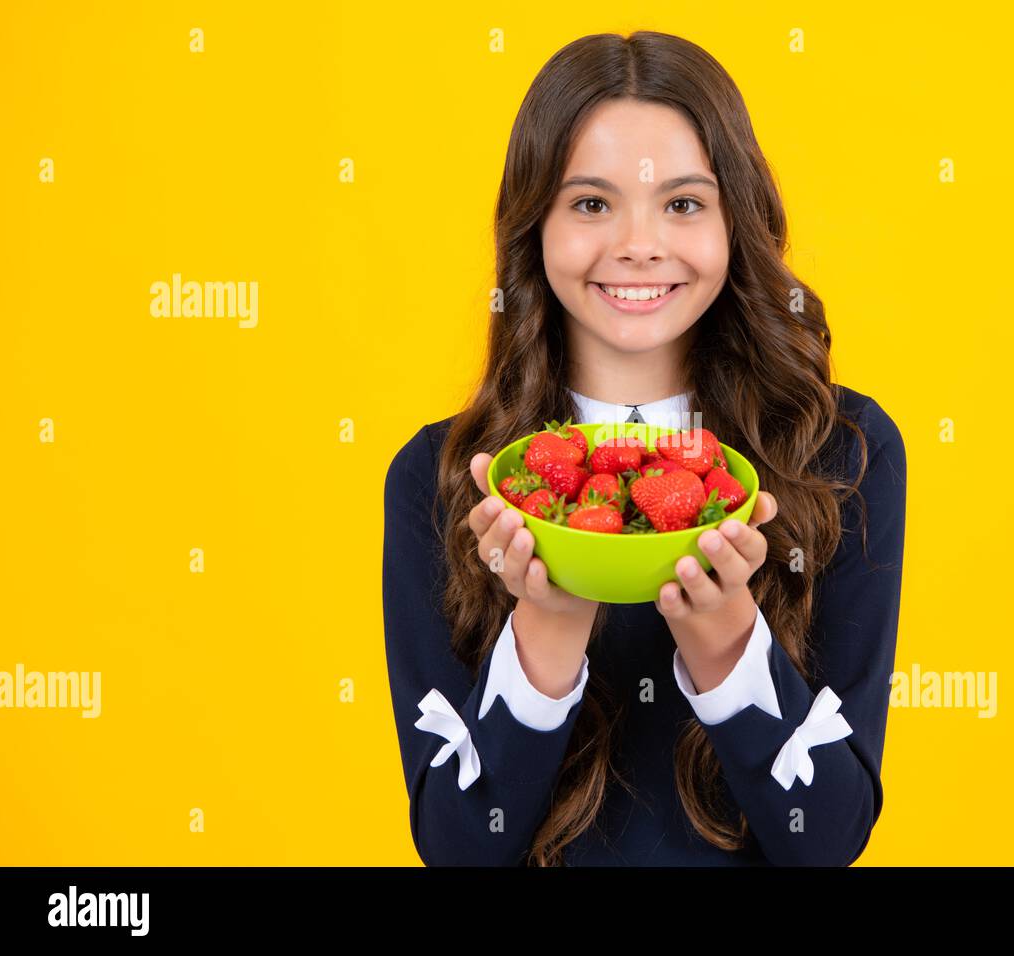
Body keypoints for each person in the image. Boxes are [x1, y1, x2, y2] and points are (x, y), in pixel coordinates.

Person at [382, 30, 906, 866]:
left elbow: (828, 840)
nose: (637, 244)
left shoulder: (841, 452)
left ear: (738, 221)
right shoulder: (441, 478)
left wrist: (728, 635)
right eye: (591, 203)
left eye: (683, 204)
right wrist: (548, 622)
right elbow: (458, 848)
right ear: (535, 227)